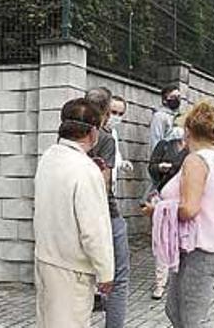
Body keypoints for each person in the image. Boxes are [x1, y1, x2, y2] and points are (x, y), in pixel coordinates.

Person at [142, 99, 214, 327]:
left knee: (192, 318)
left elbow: (189, 209)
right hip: (204, 245)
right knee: (175, 310)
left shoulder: (196, 160)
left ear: (187, 131)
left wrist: (157, 211)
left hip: (200, 248)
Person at [34, 98, 114, 327]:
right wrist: (105, 271)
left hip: (46, 257)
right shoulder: (86, 170)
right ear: (92, 132)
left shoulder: (49, 157)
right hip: (72, 269)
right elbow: (94, 229)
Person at [86, 88, 129, 328]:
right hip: (106, 215)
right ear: (104, 112)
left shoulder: (69, 135)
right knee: (118, 279)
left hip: (73, 216)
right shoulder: (105, 138)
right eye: (112, 111)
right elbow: (103, 186)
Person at [148, 84, 183, 300]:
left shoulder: (190, 150)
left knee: (180, 240)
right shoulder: (163, 144)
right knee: (162, 239)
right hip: (163, 196)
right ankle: (160, 283)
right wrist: (159, 169)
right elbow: (152, 163)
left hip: (182, 200)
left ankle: (176, 280)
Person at [109, 95, 134, 196]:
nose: (117, 117)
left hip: (111, 187)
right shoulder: (96, 132)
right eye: (113, 112)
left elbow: (115, 155)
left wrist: (122, 164)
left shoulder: (113, 132)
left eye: (120, 114)